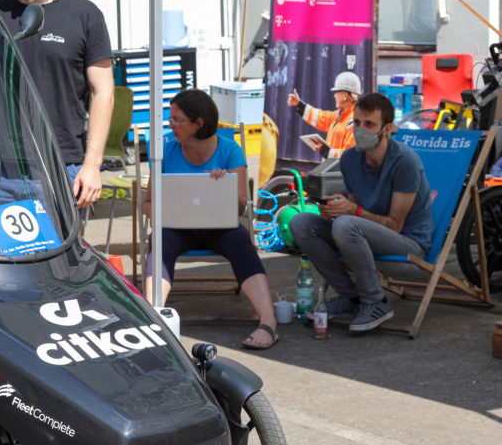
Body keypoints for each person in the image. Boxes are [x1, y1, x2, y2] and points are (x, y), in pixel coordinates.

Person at [0, 0, 112, 209]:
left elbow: (103, 92)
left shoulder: (85, 15)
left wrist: (92, 165)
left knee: (62, 251)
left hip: (60, 167)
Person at [144, 89, 279, 350]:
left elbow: (241, 205)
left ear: (199, 123)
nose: (170, 125)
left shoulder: (229, 150)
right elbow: (148, 203)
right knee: (159, 241)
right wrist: (166, 212)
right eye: (170, 119)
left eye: (176, 119)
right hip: (176, 227)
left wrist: (222, 186)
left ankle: (268, 322)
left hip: (219, 226)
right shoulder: (165, 151)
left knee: (240, 239)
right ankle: (155, 319)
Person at [290, 92, 432, 333]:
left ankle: (376, 301)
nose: (360, 130)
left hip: (409, 244)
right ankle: (351, 297)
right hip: (367, 236)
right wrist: (334, 210)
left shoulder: (405, 162)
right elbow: (356, 209)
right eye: (356, 123)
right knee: (301, 223)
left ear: (386, 128)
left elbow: (395, 225)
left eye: (369, 124)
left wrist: (350, 212)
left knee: (346, 225)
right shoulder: (349, 159)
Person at [287, 71, 361, 158]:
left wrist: (325, 151)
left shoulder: (355, 123)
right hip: (332, 170)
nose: (334, 96)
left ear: (345, 95)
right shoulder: (339, 116)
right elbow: (320, 117)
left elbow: (351, 156)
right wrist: (299, 104)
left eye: (336, 92)